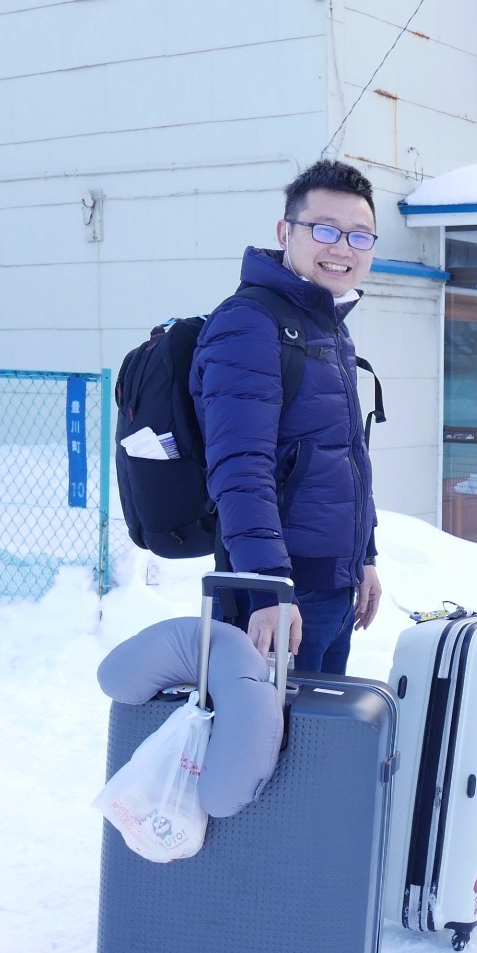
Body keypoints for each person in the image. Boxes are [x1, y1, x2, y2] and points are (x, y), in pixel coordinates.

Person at [191, 159, 383, 674]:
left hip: (330, 590)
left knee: (321, 747)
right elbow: (240, 466)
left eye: (360, 237)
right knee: (277, 750)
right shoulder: (251, 323)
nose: (342, 248)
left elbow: (345, 454)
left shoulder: (325, 323)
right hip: (280, 599)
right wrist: (269, 587)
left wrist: (364, 557)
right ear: (285, 232)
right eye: (325, 230)